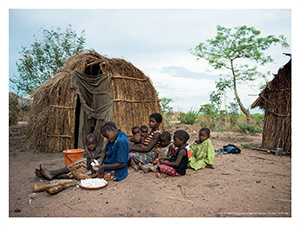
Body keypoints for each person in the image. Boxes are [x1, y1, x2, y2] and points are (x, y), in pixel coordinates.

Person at [36, 133, 105, 180]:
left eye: (93, 144)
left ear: (96, 143)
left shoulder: (99, 150)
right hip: (87, 166)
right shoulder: (87, 151)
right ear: (86, 144)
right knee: (77, 164)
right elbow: (89, 158)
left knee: (74, 173)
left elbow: (100, 162)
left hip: (93, 171)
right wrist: (98, 156)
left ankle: (50, 175)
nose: (91, 146)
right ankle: (52, 173)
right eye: (89, 144)